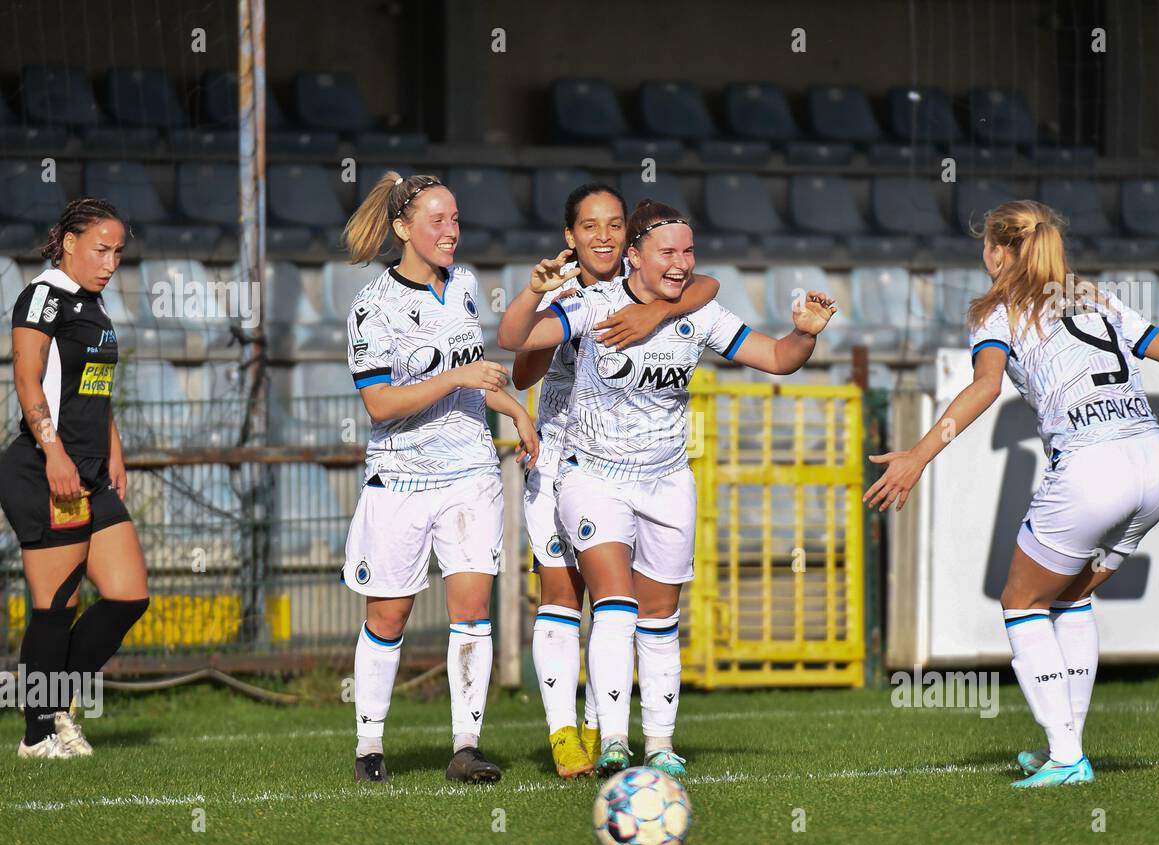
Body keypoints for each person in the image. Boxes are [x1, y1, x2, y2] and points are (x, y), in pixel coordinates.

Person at [864, 200, 1159, 788]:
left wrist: (917, 456)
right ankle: (1065, 747)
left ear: (999, 250)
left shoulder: (997, 311)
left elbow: (985, 388)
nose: (983, 254)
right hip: (1154, 464)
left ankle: (1066, 757)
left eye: (986, 244)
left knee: (1022, 603)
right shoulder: (1093, 299)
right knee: (1072, 598)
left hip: (1093, 468)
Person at [499, 199, 836, 777]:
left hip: (667, 482)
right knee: (614, 603)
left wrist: (803, 335)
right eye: (668, 252)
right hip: (593, 476)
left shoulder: (697, 313)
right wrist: (533, 292)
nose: (681, 263)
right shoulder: (592, 303)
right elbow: (514, 337)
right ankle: (611, 743)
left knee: (660, 620)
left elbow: (778, 358)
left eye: (688, 251)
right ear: (634, 256)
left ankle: (659, 744)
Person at [508, 182, 719, 778]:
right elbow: (521, 359)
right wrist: (548, 307)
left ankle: (608, 730)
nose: (603, 235)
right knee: (561, 593)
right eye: (590, 226)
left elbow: (708, 286)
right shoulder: (567, 292)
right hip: (562, 455)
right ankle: (562, 734)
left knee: (616, 602)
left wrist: (657, 309)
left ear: (630, 237)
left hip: (639, 464)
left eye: (615, 224)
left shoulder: (656, 284)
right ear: (569, 237)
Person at [340, 172, 538, 785]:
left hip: (471, 475)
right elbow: (380, 405)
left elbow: (475, 371)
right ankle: (370, 746)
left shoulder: (467, 287)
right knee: (388, 618)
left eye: (455, 219)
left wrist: (516, 411)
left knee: (472, 612)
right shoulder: (371, 307)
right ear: (403, 228)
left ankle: (465, 747)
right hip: (399, 480)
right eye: (437, 220)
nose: (451, 231)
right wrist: (454, 380)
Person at [1, 198, 150, 758]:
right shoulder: (43, 296)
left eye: (118, 251)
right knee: (56, 606)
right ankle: (37, 736)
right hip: (44, 469)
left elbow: (92, 388)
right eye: (100, 249)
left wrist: (114, 450)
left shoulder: (92, 303)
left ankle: (53, 700)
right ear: (68, 242)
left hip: (91, 471)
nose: (111, 261)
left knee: (128, 595)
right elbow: (27, 377)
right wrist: (56, 453)